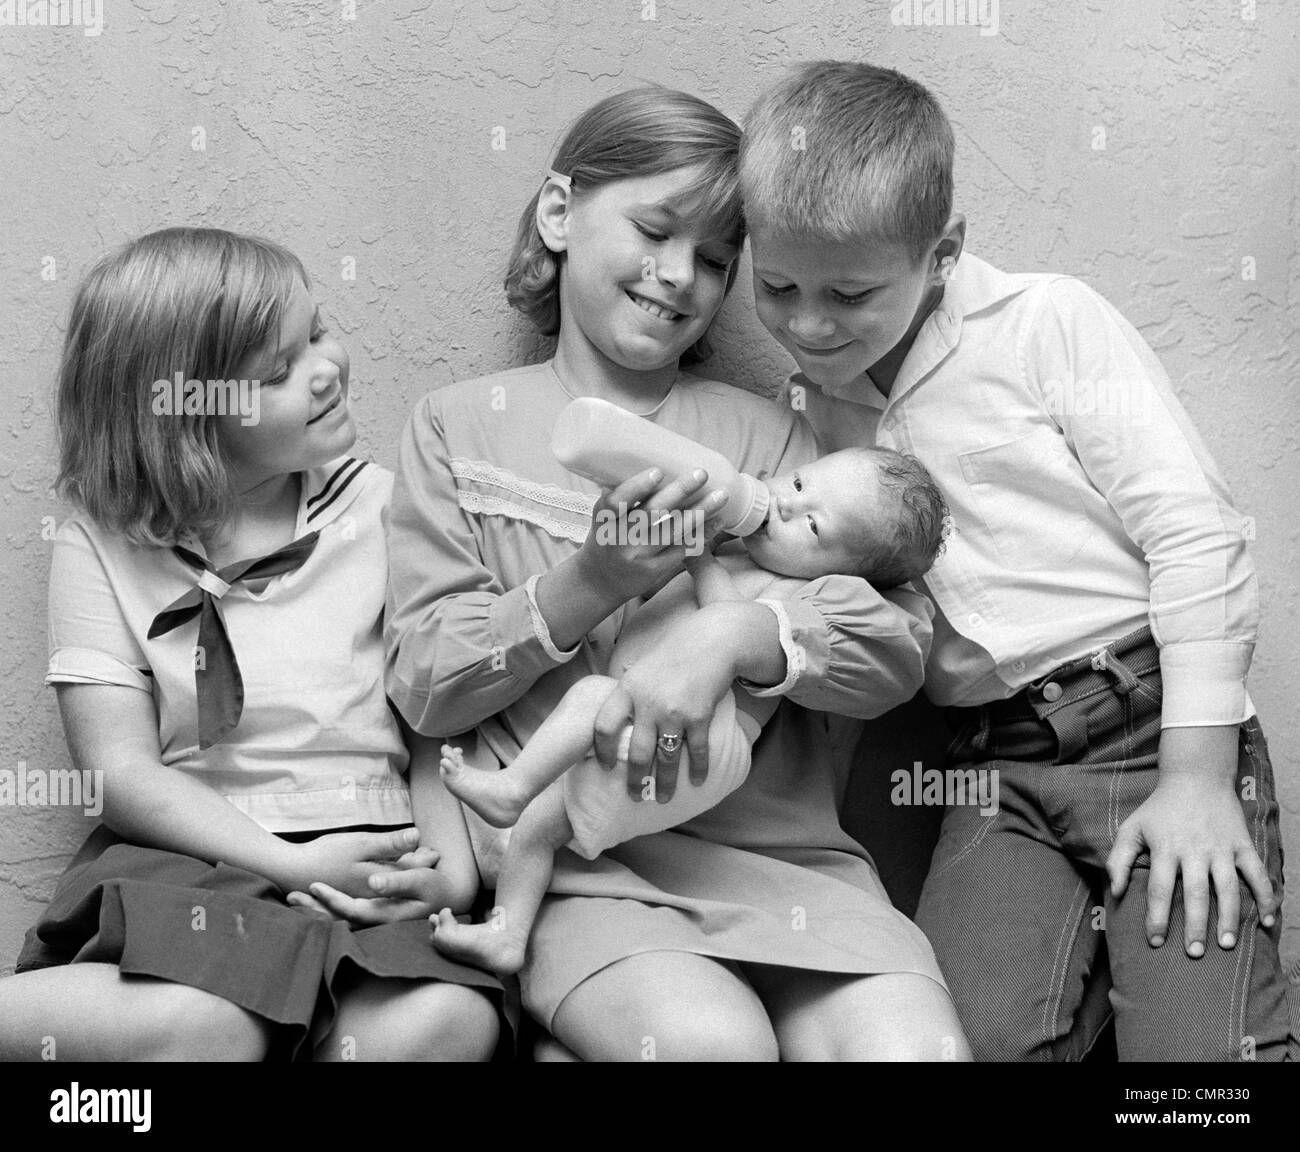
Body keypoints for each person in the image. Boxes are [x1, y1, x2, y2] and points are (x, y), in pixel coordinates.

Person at [385, 86, 969, 1061]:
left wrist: (737, 633)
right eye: (655, 232)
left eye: (713, 258)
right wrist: (590, 584)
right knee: (709, 1047)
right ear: (559, 213)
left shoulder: (773, 435)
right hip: (587, 861)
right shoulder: (458, 426)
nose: (679, 277)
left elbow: (895, 645)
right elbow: (426, 685)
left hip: (793, 869)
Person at [738, 60, 1296, 1061]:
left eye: (851, 293)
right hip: (987, 771)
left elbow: (1194, 532)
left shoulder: (1046, 324)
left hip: (1149, 730)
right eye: (776, 286)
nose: (809, 326)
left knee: (1196, 1076)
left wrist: (1198, 777)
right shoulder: (806, 417)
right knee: (963, 1040)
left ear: (942, 251)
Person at [0, 227, 501, 1062]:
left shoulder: (386, 510)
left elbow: (434, 717)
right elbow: (121, 775)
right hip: (202, 857)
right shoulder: (102, 541)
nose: (327, 365)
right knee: (213, 1024)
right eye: (278, 371)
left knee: (447, 1024)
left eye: (318, 330)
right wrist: (287, 864)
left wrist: (450, 873)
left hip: (370, 845)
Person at [432, 445, 947, 976]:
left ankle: (512, 791)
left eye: (814, 527)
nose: (788, 507)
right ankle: (507, 933)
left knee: (573, 737)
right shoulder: (742, 554)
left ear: (843, 573)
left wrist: (700, 556)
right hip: (656, 725)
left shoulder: (792, 590)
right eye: (796, 484)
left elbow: (726, 617)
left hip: (704, 744)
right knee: (543, 826)